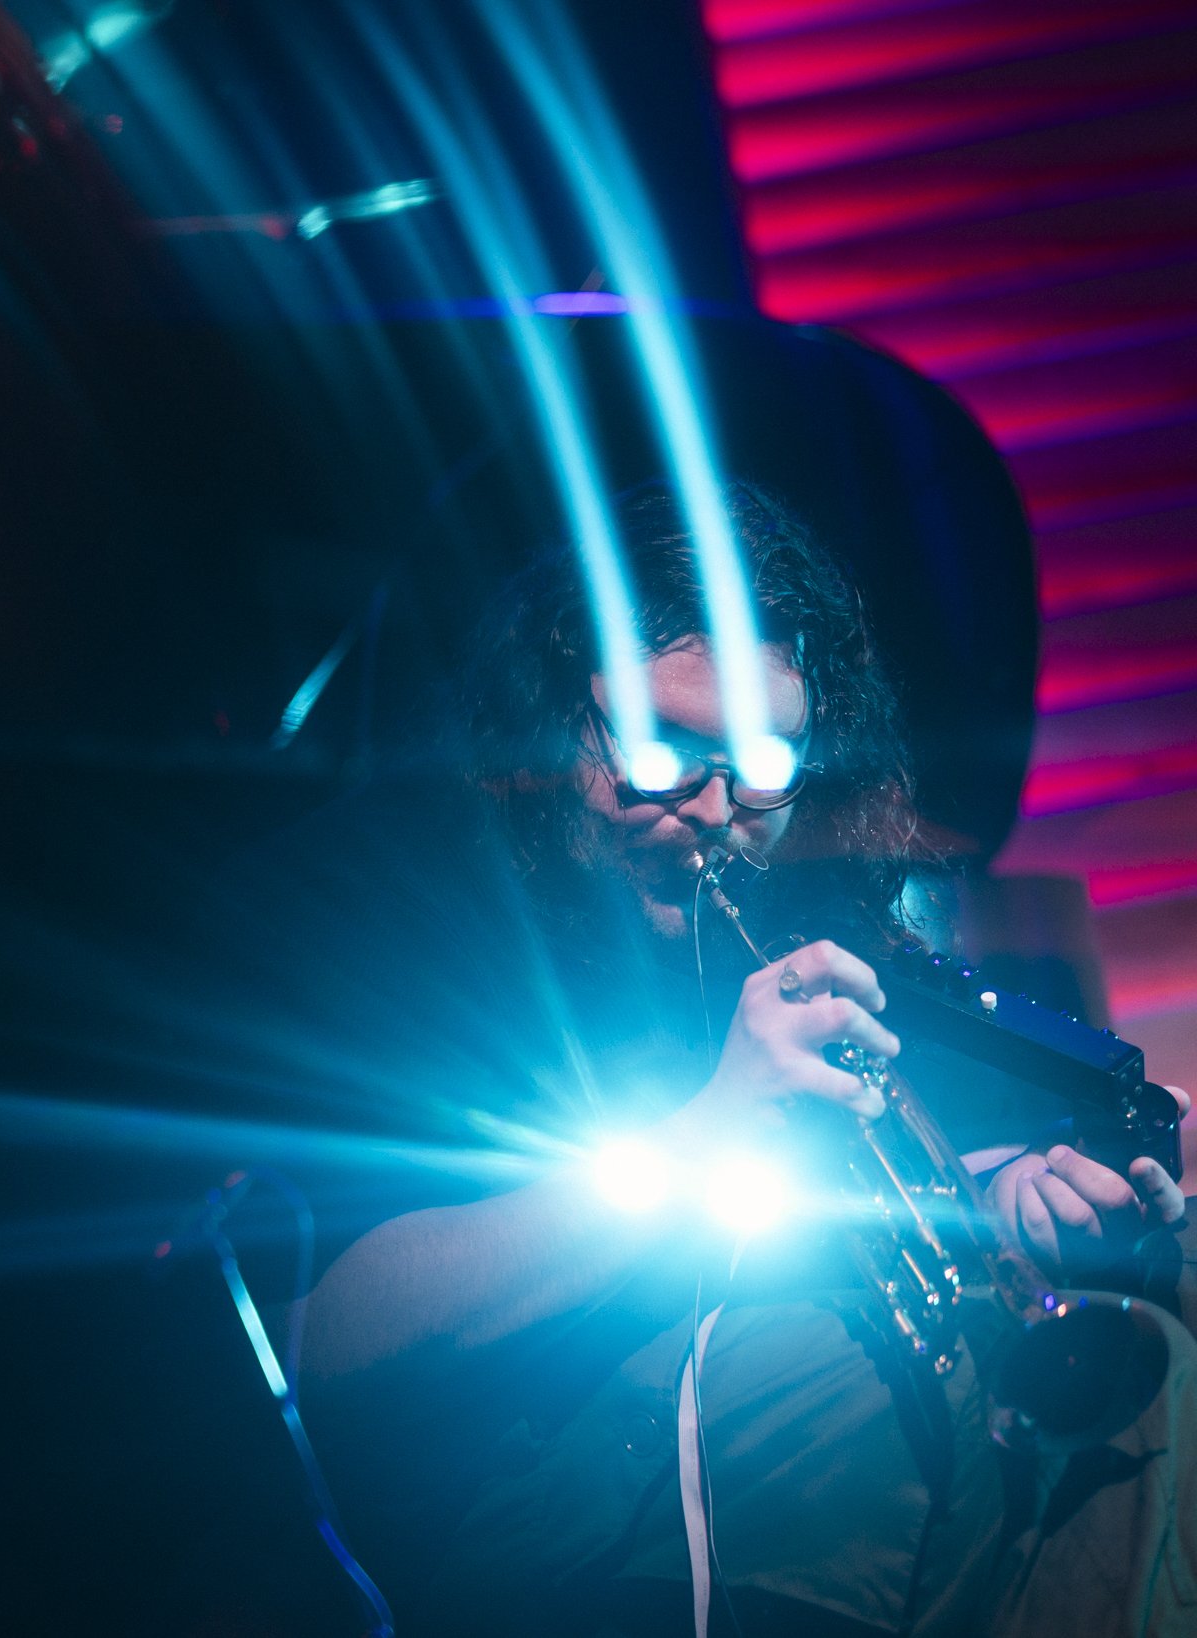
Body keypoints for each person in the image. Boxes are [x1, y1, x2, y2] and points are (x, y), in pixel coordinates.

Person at [284, 481, 1197, 1636]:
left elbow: (860, 1207)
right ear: (547, 722)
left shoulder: (803, 915)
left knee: (1165, 1297)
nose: (716, 807)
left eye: (763, 761)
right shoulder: (411, 926)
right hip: (544, 1485)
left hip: (795, 1402)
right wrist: (702, 1137)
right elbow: (317, 1341)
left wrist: (1000, 1203)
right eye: (665, 750)